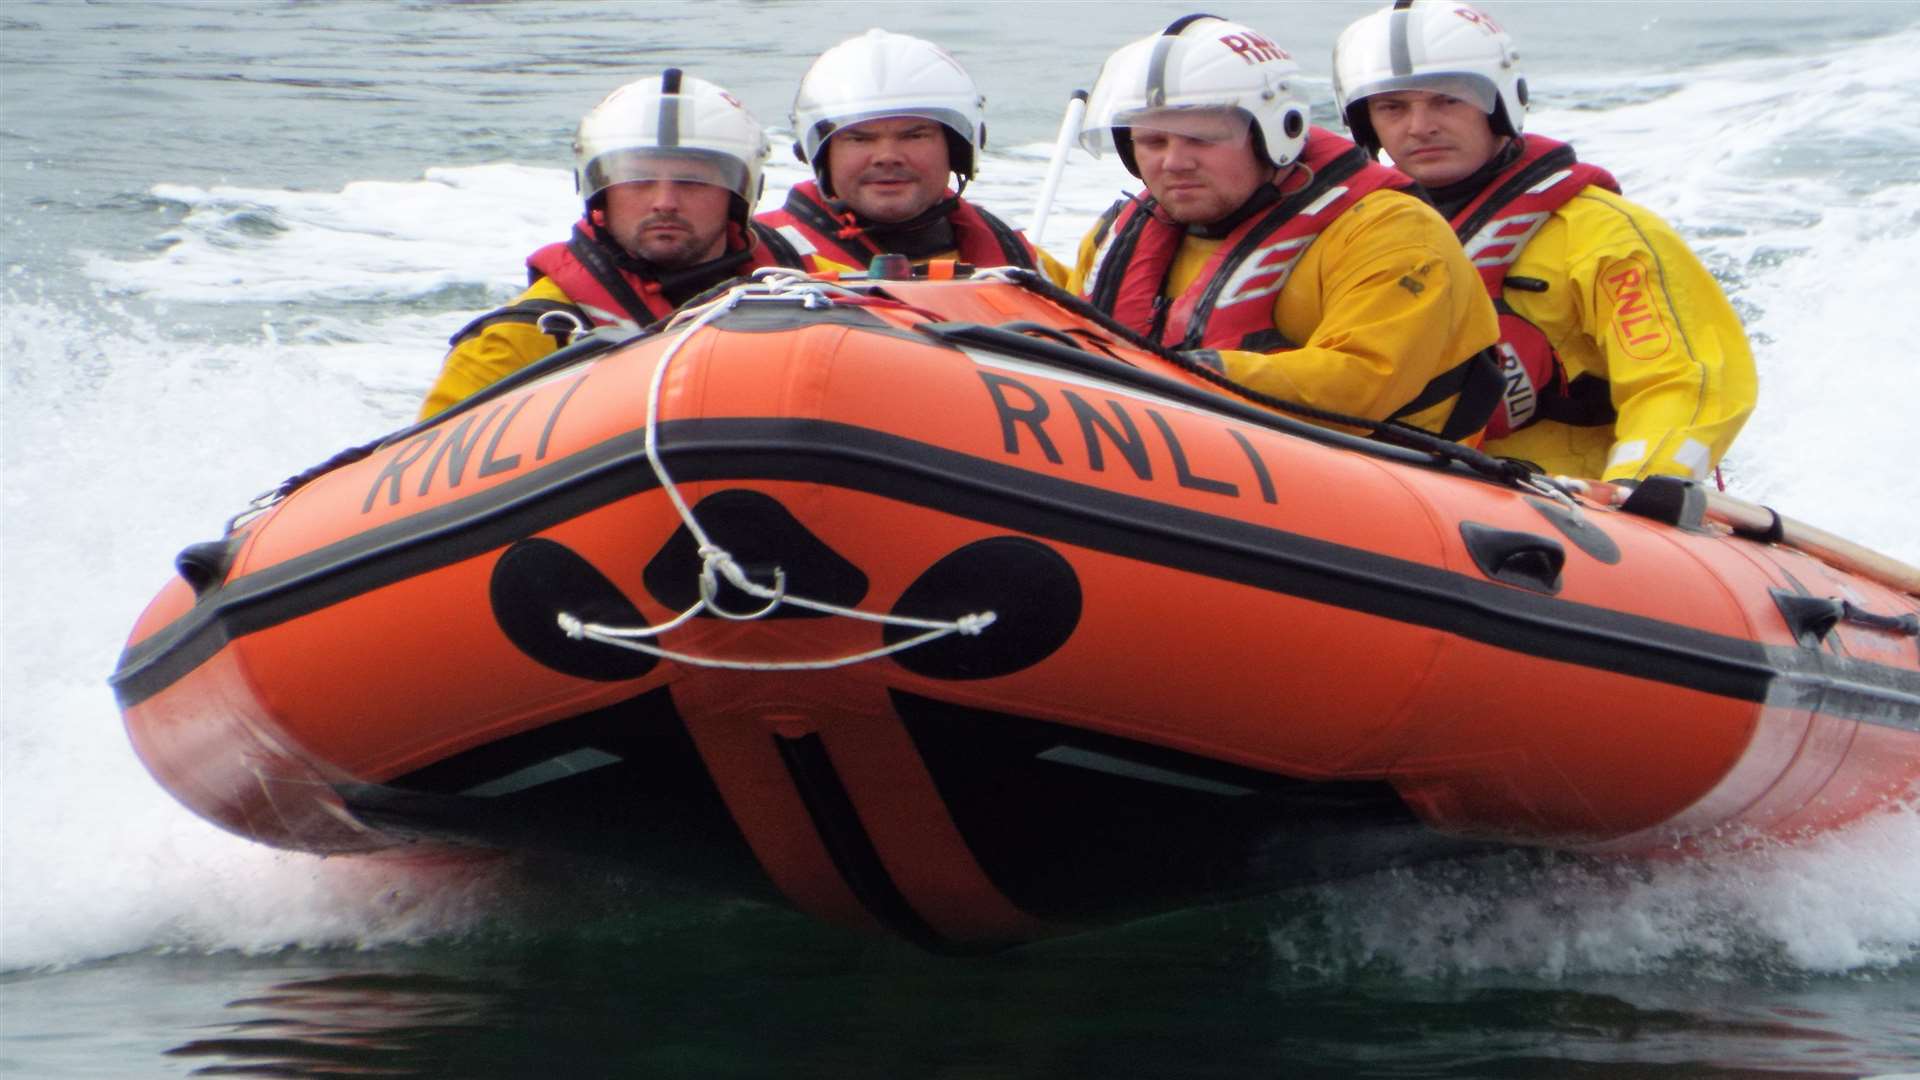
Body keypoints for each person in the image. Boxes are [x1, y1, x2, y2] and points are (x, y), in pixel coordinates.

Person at [1333, 0, 1758, 482]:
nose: (1420, 125)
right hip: (1403, 491)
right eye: (1393, 107)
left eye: (1447, 99)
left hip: (1567, 511)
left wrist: (1639, 486)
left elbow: (1686, 380)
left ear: (1498, 103)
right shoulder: (1351, 238)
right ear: (1366, 125)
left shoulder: (1604, 236)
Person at [1070, 15, 1501, 443]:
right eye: (1153, 142)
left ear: (1273, 133)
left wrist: (1170, 371)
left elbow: (1361, 382)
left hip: (1369, 482)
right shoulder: (1116, 235)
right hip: (1164, 450)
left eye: (1201, 138)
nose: (1175, 162)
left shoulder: (1394, 232)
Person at [420, 70, 808, 420]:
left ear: (738, 195)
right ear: (600, 194)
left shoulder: (811, 286)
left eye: (693, 180)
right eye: (638, 179)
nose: (664, 201)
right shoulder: (521, 340)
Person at [757, 29, 1068, 282]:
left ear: (957, 148)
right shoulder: (758, 262)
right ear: (821, 155)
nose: (887, 156)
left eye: (914, 136)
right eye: (860, 139)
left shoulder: (1014, 253)